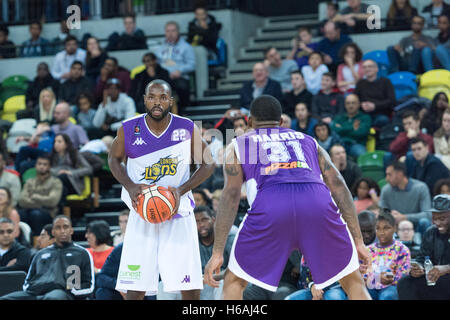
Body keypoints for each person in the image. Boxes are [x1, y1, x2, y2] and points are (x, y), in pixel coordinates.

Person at [204, 95, 371, 300]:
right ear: (281, 122)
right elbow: (339, 185)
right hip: (317, 203)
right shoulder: (309, 140)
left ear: (249, 122)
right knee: (353, 281)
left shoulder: (238, 144)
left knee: (234, 282)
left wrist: (217, 252)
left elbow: (230, 195)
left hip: (272, 205)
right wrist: (359, 241)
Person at [108, 79, 215, 300]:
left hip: (178, 213)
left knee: (190, 285)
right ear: (145, 99)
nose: (158, 102)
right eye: (153, 97)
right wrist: (129, 186)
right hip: (141, 211)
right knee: (135, 286)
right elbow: (114, 160)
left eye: (163, 97)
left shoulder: (186, 128)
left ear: (171, 101)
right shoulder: (129, 128)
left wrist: (182, 189)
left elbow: (209, 163)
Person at [0, 215, 95, 300]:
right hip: (35, 293)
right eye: (58, 227)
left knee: (51, 297)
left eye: (65, 227)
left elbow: (89, 285)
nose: (62, 231)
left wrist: (72, 291)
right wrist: (34, 289)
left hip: (63, 293)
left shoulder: (82, 253)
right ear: (53, 231)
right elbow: (27, 282)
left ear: (71, 230)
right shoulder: (40, 254)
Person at [397, 194, 450, 300]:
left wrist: (447, 268)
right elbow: (422, 258)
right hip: (435, 278)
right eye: (434, 218)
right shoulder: (430, 232)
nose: (437, 223)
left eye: (442, 218)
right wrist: (418, 267)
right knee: (405, 282)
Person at [362, 211, 411, 300]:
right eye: (378, 228)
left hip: (391, 286)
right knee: (363, 293)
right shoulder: (368, 250)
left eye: (386, 228)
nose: (382, 232)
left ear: (394, 228)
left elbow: (404, 274)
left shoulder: (402, 249)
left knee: (387, 296)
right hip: (371, 286)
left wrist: (391, 278)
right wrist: (376, 277)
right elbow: (362, 273)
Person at [194, 206, 237, 300]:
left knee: (221, 284)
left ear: (213, 220)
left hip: (224, 282)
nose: (201, 224)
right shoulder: (191, 241)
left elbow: (235, 271)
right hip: (200, 283)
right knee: (162, 285)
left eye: (204, 219)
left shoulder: (229, 237)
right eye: (196, 221)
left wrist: (210, 277)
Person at [379, 161, 432, 234]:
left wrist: (405, 217)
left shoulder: (421, 188)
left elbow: (427, 215)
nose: (386, 179)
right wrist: (390, 216)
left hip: (416, 228)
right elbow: (382, 213)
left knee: (424, 222)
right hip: (395, 227)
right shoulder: (385, 190)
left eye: (389, 175)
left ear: (400, 174)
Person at [154, 21, 196, 113]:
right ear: (165, 33)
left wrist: (180, 71)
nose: (170, 33)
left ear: (178, 32)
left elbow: (192, 65)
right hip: (163, 78)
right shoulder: (159, 49)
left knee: (181, 87)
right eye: (168, 31)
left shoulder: (186, 47)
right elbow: (156, 65)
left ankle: (181, 113)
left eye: (173, 31)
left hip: (179, 77)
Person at [17, 154, 63, 237]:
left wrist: (34, 197)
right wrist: (41, 202)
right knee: (19, 214)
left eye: (45, 164)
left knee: (36, 214)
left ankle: (38, 242)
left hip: (48, 212)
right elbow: (21, 200)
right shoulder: (29, 181)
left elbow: (52, 201)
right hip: (29, 210)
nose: (41, 166)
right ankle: (23, 242)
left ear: (49, 167)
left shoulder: (56, 182)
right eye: (39, 164)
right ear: (36, 166)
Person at [354, 59, 397, 128]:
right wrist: (361, 104)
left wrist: (375, 106)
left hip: (381, 113)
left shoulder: (385, 82)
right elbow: (355, 99)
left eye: (370, 66)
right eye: (364, 67)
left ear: (376, 69)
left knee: (382, 120)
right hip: (364, 114)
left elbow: (392, 101)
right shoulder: (360, 83)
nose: (367, 69)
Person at [50, 133, 93, 198]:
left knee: (62, 177)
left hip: (73, 184)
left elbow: (89, 169)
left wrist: (70, 172)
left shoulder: (74, 154)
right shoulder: (53, 156)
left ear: (66, 144)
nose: (56, 144)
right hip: (59, 184)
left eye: (59, 141)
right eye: (55, 142)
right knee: (62, 190)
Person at [331, 93, 372, 158]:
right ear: (345, 105)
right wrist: (352, 128)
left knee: (362, 155)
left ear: (359, 104)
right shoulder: (339, 117)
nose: (350, 105)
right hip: (340, 144)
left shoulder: (365, 118)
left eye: (353, 103)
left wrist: (342, 128)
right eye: (348, 103)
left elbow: (361, 133)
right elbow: (334, 130)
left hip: (356, 144)